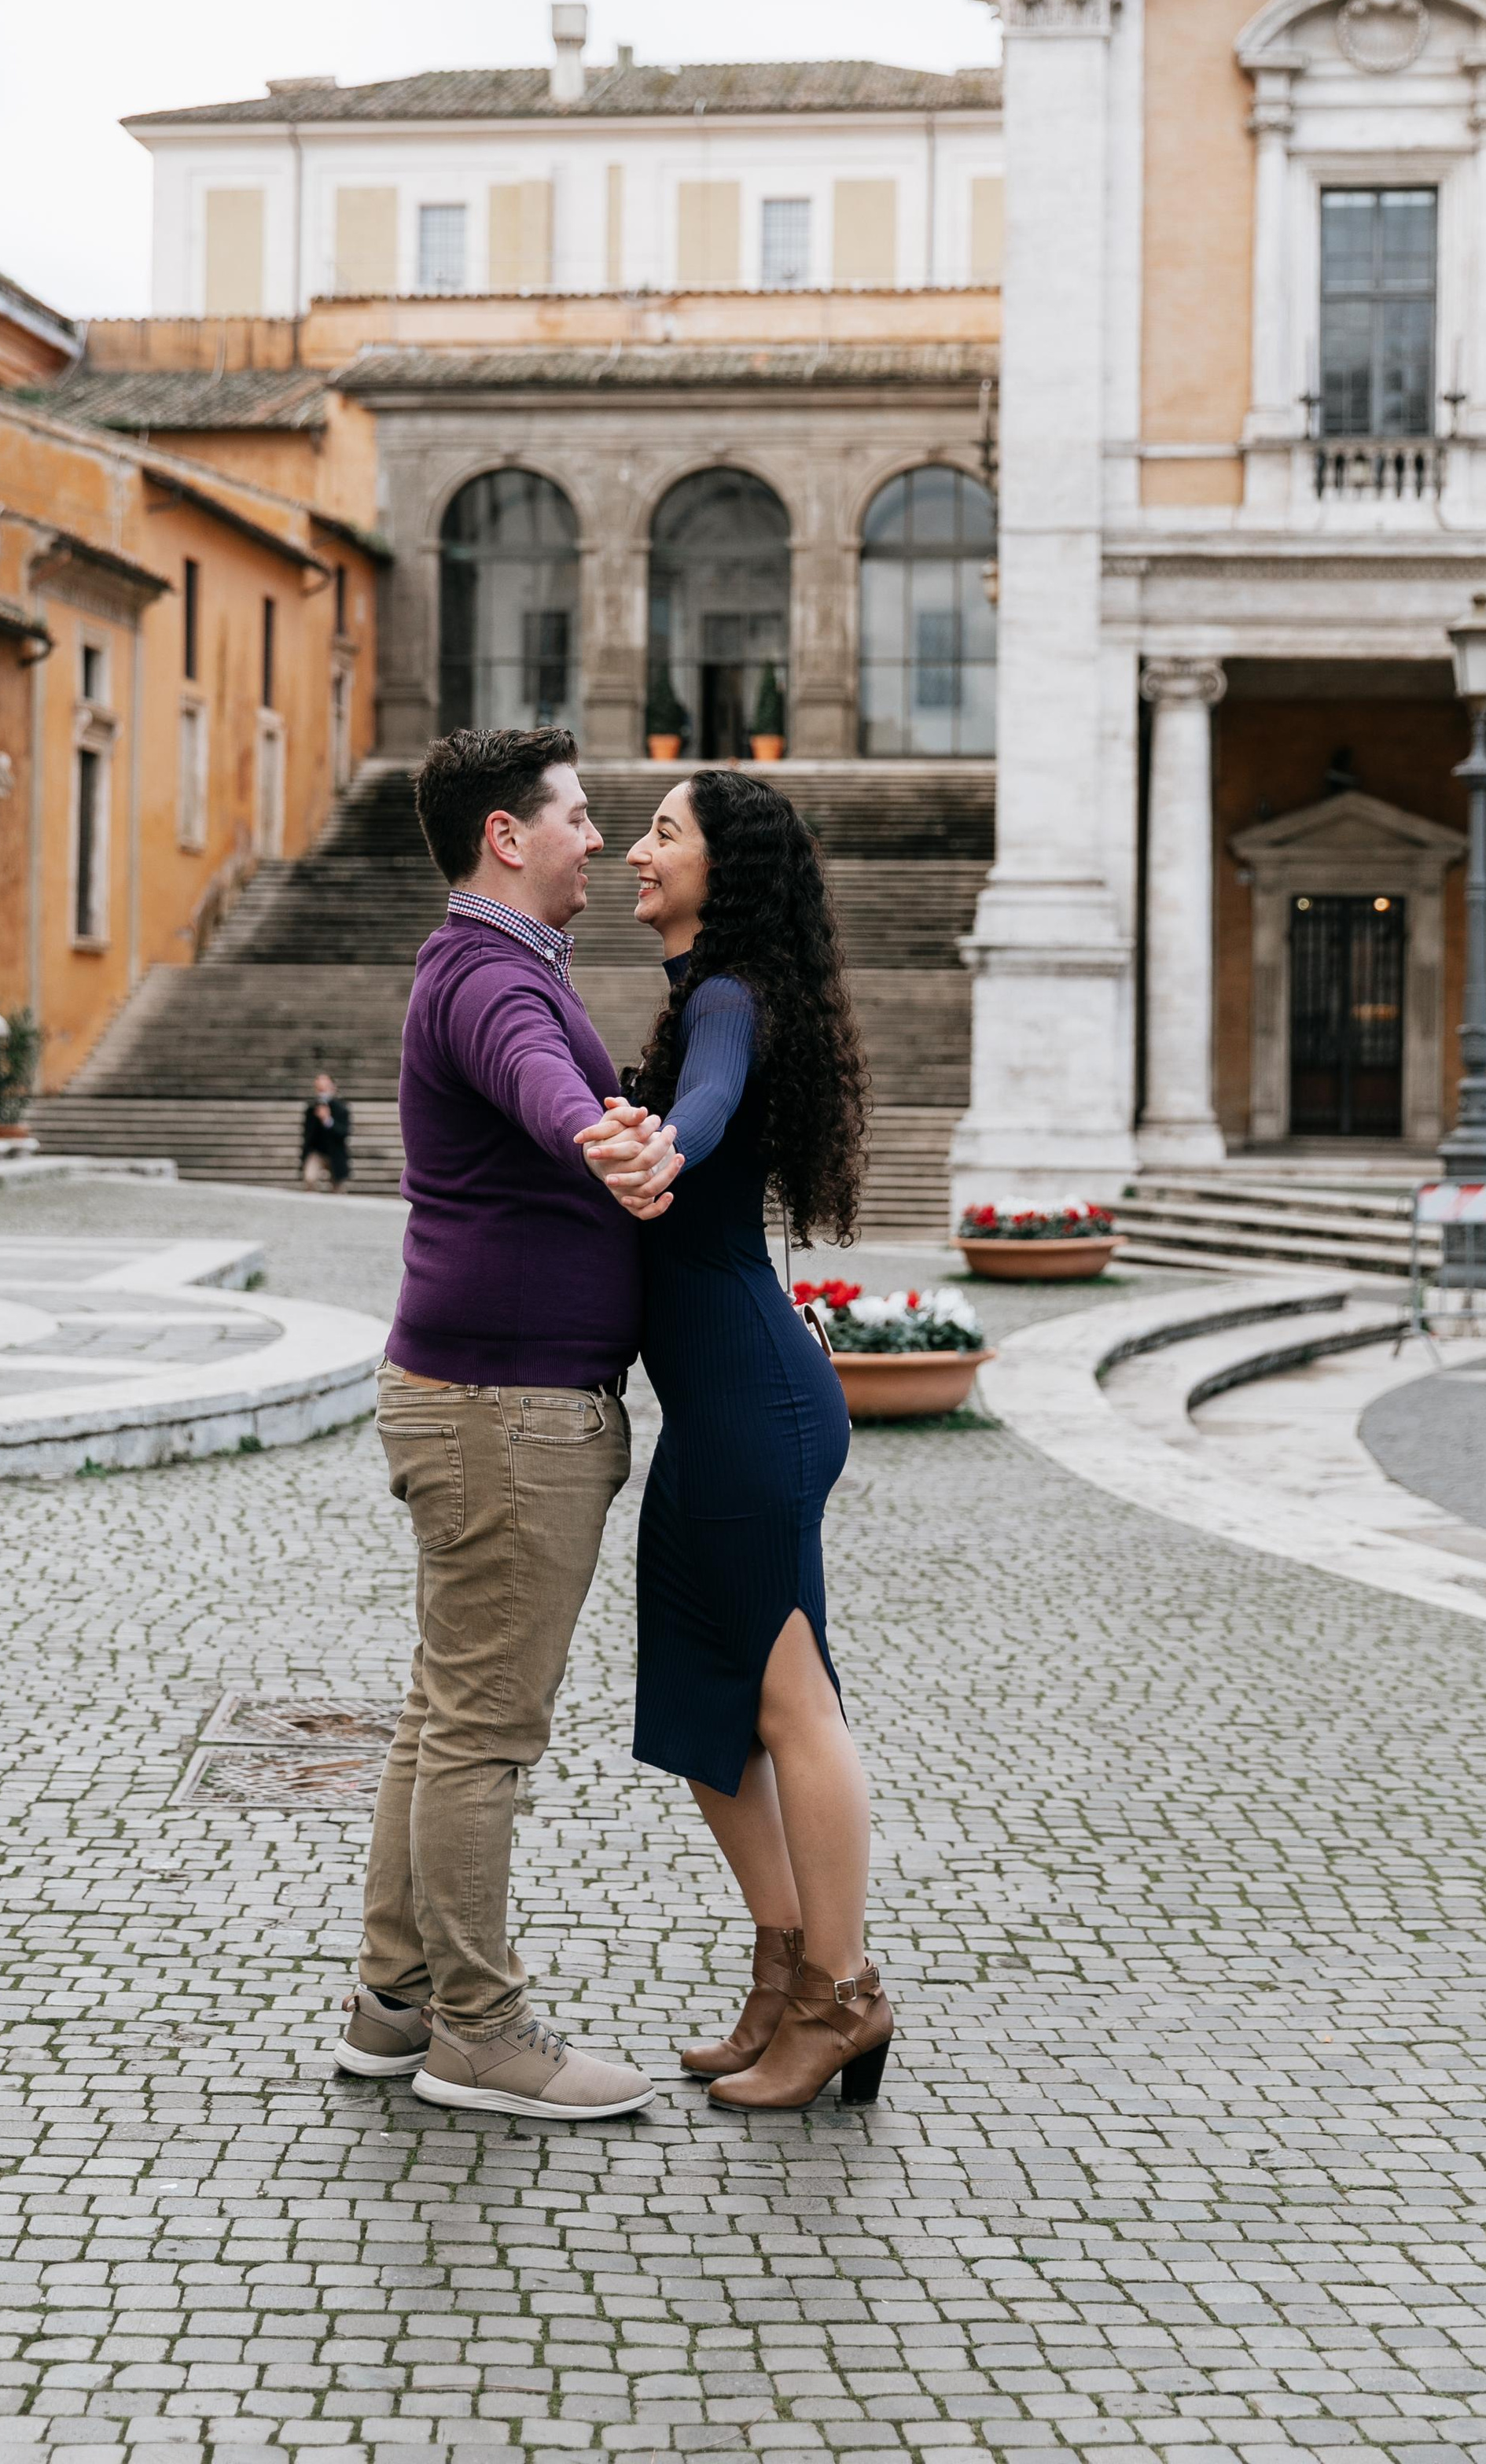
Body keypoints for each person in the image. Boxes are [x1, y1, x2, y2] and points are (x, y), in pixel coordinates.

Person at [336, 726, 679, 2123]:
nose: (599, 838)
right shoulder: (488, 976)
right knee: (483, 1730)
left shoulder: (491, 962)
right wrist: (596, 1133)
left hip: (475, 1397)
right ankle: (478, 2032)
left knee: (442, 1713)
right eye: (579, 815)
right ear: (507, 834)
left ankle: (392, 2002)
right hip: (507, 1411)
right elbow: (533, 1074)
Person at [578, 770, 889, 2112]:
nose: (636, 853)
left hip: (754, 1407)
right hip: (727, 1408)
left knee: (790, 1706)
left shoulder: (725, 1000)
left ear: (726, 868)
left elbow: (704, 1105)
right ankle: (783, 1970)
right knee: (708, 1712)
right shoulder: (711, 991)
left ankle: (842, 1998)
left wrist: (661, 1146)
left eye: (664, 833)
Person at [300, 1070, 351, 1191]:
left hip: (335, 1152)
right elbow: (308, 1133)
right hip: (317, 1151)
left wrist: (328, 1121)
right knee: (310, 1178)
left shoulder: (341, 1108)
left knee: (338, 1187)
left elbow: (343, 1132)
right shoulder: (312, 1108)